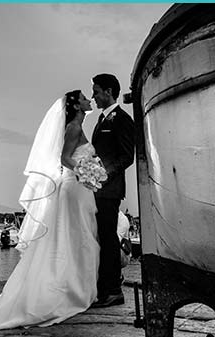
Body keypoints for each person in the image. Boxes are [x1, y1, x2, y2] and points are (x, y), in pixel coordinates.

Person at [0, 90, 101, 330]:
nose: (88, 100)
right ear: (76, 106)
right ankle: (68, 291)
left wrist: (89, 169)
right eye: (84, 98)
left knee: (79, 236)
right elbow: (65, 159)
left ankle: (78, 287)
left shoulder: (77, 126)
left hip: (80, 188)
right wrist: (86, 169)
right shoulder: (73, 128)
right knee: (74, 236)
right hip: (74, 186)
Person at [89, 73, 135, 308]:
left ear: (108, 92)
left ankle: (114, 291)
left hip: (110, 190)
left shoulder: (122, 119)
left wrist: (104, 175)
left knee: (108, 240)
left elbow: (127, 156)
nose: (94, 96)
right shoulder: (101, 120)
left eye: (96, 91)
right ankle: (106, 287)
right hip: (98, 190)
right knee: (103, 238)